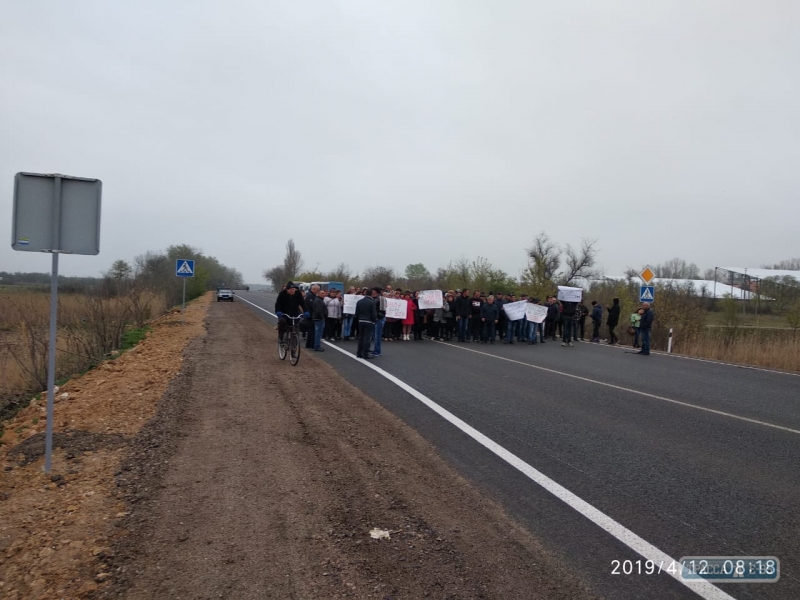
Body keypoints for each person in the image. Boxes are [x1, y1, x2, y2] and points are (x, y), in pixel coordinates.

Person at [355, 291, 377, 359]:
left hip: (361, 320)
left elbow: (356, 313)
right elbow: (373, 313)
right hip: (369, 321)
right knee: (367, 338)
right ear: (371, 294)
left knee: (361, 337)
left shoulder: (359, 301)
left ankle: (359, 353)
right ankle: (365, 353)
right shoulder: (372, 302)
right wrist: (374, 320)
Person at [304, 284, 320, 348]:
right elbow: (312, 305)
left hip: (311, 314)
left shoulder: (312, 295)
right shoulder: (310, 295)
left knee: (311, 330)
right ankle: (310, 344)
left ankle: (309, 343)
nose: (318, 291)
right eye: (317, 290)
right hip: (310, 315)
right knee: (311, 330)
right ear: (313, 289)